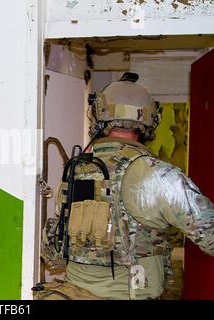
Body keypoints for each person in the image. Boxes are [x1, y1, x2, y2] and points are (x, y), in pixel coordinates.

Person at [36, 72, 214, 300]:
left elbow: (55, 248)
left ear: (99, 117)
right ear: (150, 120)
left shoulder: (76, 171)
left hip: (72, 294)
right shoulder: (158, 175)